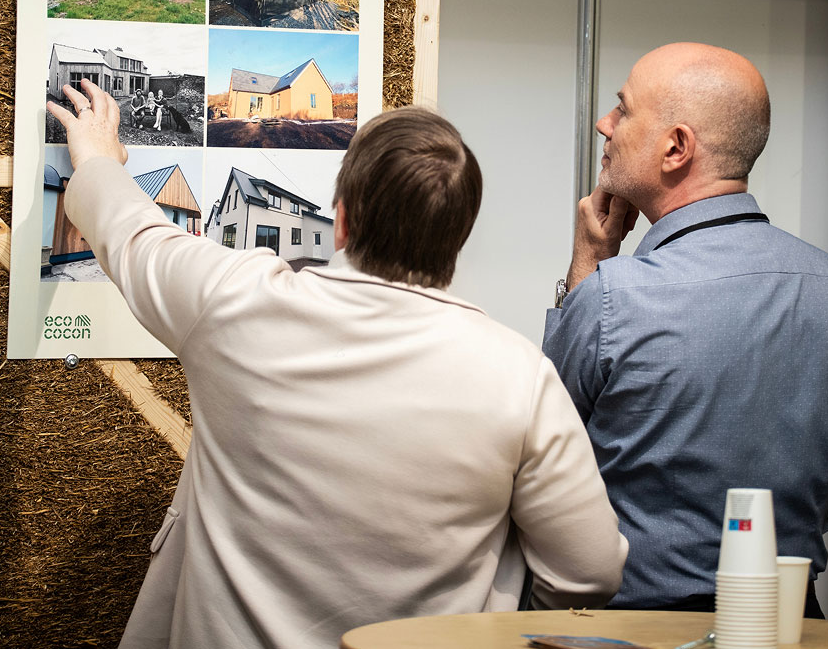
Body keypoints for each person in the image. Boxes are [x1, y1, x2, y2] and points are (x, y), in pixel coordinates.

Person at [49, 80, 628, 649]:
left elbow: (132, 233)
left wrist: (99, 158)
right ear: (456, 239)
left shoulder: (235, 303)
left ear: (343, 221)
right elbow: (589, 573)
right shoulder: (519, 376)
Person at [542, 42, 828, 615]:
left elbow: (542, 465)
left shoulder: (613, 297)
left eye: (623, 109)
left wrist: (585, 270)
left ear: (676, 148)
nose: (605, 124)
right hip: (789, 626)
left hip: (634, 630)